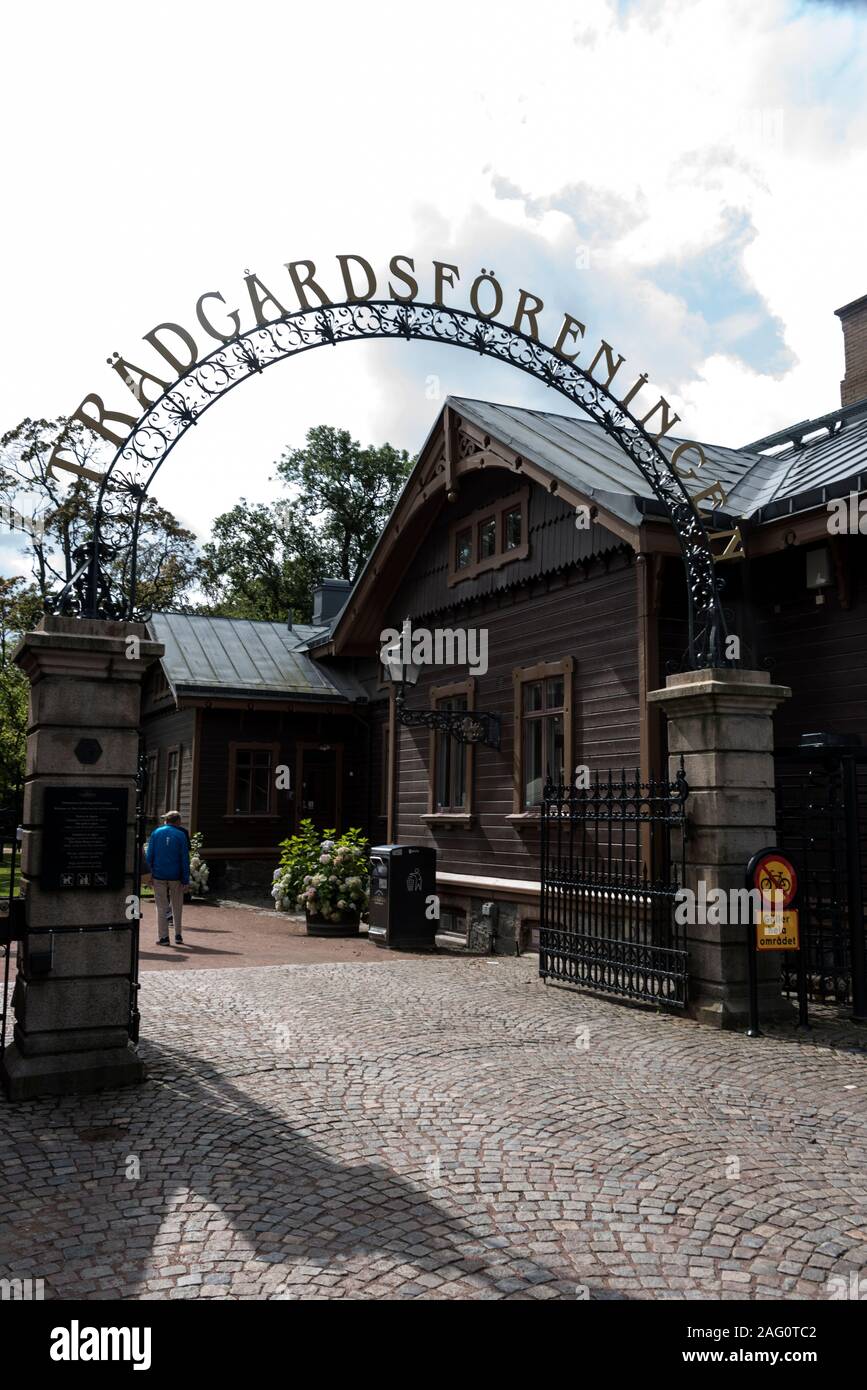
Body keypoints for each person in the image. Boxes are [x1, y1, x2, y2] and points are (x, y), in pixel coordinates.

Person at [145, 810, 190, 946]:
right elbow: (184, 858)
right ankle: (178, 935)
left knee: (161, 907)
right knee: (177, 905)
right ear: (178, 821)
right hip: (176, 875)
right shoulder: (181, 834)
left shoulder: (156, 833)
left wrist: (148, 874)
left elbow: (149, 855)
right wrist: (186, 879)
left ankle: (164, 937)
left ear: (167, 820)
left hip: (159, 875)